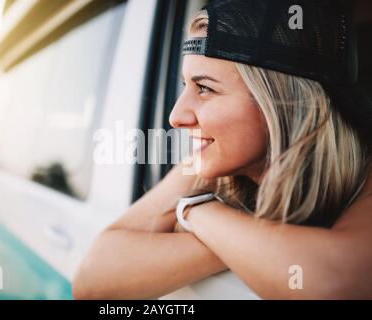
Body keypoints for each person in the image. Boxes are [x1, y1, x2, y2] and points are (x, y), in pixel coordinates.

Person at [73, 0, 372, 299]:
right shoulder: (210, 168)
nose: (176, 117)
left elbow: (335, 284)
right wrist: (250, 244)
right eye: (185, 87)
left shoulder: (365, 180)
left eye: (205, 89)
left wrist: (196, 213)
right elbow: (91, 280)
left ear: (280, 102)